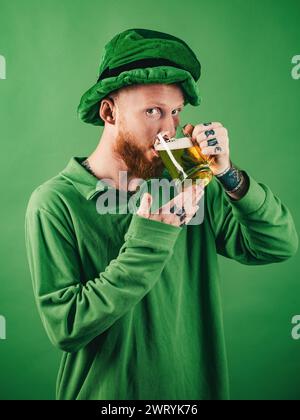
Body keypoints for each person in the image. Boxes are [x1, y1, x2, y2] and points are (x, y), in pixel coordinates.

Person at [25, 28, 298, 400]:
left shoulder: (191, 184)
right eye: (153, 111)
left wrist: (227, 173)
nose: (167, 131)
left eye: (176, 113)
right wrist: (150, 239)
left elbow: (277, 245)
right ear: (109, 111)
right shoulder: (55, 202)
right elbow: (67, 327)